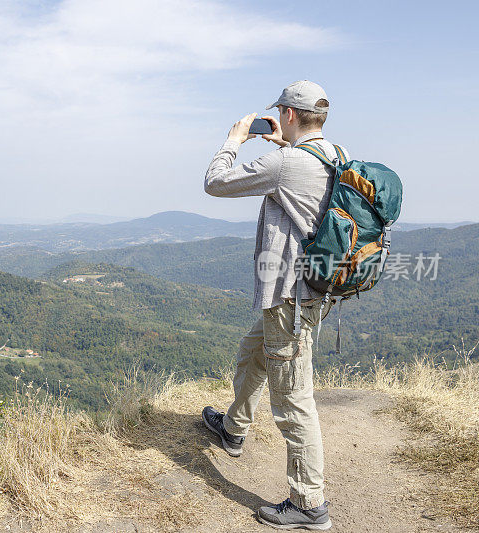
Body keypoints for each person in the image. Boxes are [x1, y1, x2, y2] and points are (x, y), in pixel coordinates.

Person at [201, 80, 346, 531]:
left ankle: (308, 504)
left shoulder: (285, 163)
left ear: (286, 113)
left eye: (278, 112)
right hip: (310, 292)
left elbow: (215, 184)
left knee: (293, 399)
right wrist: (287, 144)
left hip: (290, 296)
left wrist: (234, 138)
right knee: (253, 354)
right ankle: (233, 427)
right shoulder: (335, 154)